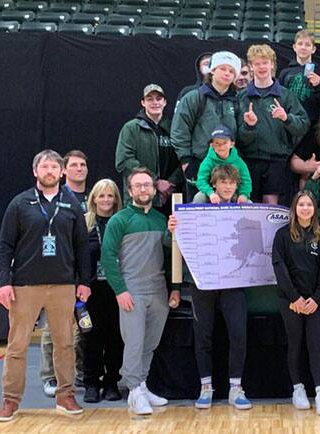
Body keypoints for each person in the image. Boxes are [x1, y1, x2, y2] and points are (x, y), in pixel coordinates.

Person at [0, 150, 91, 423]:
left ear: (62, 173)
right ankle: (10, 400)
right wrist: (4, 282)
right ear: (35, 171)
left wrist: (83, 281)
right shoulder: (20, 203)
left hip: (63, 285)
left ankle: (66, 395)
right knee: (17, 346)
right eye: (45, 166)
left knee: (65, 344)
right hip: (25, 285)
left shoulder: (71, 204)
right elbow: (4, 246)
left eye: (54, 167)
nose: (50, 171)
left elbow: (82, 247)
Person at [100, 167, 181, 416]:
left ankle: (142, 386)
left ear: (154, 189)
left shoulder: (161, 220)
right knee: (134, 343)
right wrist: (120, 290)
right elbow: (107, 257)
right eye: (138, 185)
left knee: (150, 343)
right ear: (130, 190)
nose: (143, 189)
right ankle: (134, 391)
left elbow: (171, 257)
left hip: (158, 291)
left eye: (147, 184)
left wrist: (175, 288)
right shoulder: (119, 220)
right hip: (132, 290)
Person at [167, 180, 251, 411]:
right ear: (213, 186)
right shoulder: (197, 211)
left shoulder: (243, 208)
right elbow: (173, 243)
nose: (227, 187)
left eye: (231, 183)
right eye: (222, 183)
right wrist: (173, 229)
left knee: (238, 332)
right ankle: (206, 387)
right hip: (203, 281)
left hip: (233, 282)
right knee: (202, 334)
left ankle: (236, 387)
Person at [272, 191, 320, 415]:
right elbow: (280, 267)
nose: (305, 208)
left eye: (309, 205)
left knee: (316, 347)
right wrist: (294, 297)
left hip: (315, 302)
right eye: (301, 205)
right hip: (290, 302)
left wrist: (316, 298)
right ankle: (298, 389)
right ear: (294, 209)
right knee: (295, 345)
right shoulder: (282, 235)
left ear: (314, 209)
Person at [40, 149, 89, 396]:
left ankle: (77, 372)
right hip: (55, 273)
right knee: (54, 328)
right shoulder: (54, 198)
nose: (79, 169)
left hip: (78, 273)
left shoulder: (91, 197)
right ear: (63, 171)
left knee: (81, 328)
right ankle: (50, 376)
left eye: (83, 165)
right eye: (74, 165)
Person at [237, 43, 309, 205]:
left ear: (272, 65)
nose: (261, 67)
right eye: (257, 63)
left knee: (271, 205)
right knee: (248, 205)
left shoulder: (286, 95)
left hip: (276, 161)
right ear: (251, 67)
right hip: (248, 160)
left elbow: (303, 125)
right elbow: (237, 137)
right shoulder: (242, 98)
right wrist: (249, 126)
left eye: (265, 62)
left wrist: (287, 118)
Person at [171, 51, 242, 201]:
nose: (227, 73)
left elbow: (241, 136)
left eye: (231, 71)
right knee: (199, 209)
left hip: (229, 167)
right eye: (222, 68)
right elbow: (179, 131)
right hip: (200, 163)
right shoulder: (194, 97)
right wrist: (186, 161)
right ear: (212, 70)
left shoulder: (236, 102)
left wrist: (250, 126)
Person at [81, 179, 124, 404]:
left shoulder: (122, 222)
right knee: (91, 338)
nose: (106, 200)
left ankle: (111, 382)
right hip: (90, 292)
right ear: (93, 199)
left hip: (116, 289)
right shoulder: (84, 224)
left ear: (116, 199)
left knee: (116, 338)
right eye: (102, 196)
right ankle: (91, 383)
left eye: (110, 196)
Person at [115, 83, 182, 210]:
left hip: (170, 197)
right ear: (143, 102)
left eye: (158, 99)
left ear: (165, 102)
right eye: (149, 99)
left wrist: (171, 183)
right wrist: (154, 182)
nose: (155, 102)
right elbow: (124, 161)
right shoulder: (131, 128)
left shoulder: (175, 128)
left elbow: (184, 159)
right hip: (140, 199)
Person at [278, 30, 320, 125]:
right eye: (300, 44)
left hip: (312, 122)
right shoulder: (285, 73)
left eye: (307, 45)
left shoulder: (319, 73)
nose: (303, 47)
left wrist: (318, 86)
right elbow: (279, 99)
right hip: (289, 121)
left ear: (313, 49)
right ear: (294, 47)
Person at [195, 125, 252, 203]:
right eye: (217, 143)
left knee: (248, 203)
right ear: (211, 145)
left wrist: (244, 194)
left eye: (224, 143)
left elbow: (246, 181)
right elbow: (201, 181)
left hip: (233, 194)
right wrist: (210, 193)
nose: (221, 146)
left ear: (232, 144)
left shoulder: (239, 162)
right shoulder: (207, 162)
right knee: (199, 197)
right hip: (213, 194)